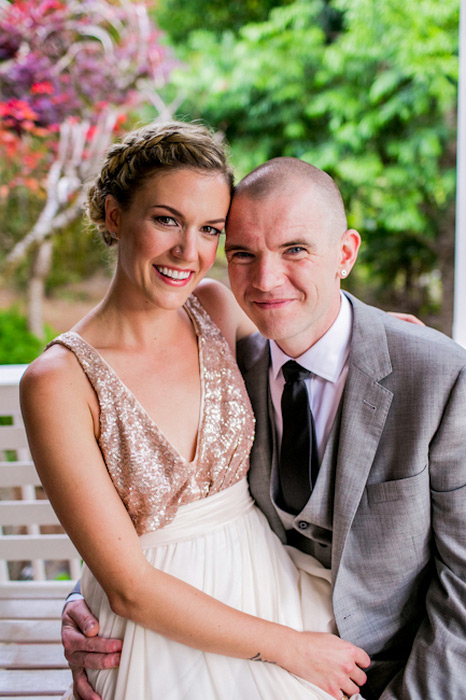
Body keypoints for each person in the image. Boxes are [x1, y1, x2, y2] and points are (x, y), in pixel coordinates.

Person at [64, 155, 466, 700]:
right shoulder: (232, 362)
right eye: (242, 255)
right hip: (245, 645)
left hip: (397, 669)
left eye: (295, 250)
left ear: (344, 254)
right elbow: (161, 510)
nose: (266, 279)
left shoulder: (438, 378)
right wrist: (85, 605)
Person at [20, 123, 371, 700]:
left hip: (266, 579)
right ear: (114, 217)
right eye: (165, 220)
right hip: (157, 620)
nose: (190, 252)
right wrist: (291, 647)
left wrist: (388, 333)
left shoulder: (211, 307)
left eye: (210, 229)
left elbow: (309, 317)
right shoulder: (57, 382)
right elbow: (128, 584)